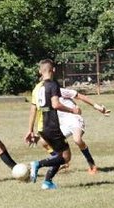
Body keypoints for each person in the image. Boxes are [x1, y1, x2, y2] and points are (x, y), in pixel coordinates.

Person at [24, 59, 81, 190]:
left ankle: (47, 182)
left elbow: (33, 108)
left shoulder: (38, 87)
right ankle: (37, 164)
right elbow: (55, 104)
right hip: (51, 126)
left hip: (42, 127)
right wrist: (73, 110)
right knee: (66, 157)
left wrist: (30, 129)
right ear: (53, 70)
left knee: (59, 154)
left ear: (40, 71)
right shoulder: (53, 84)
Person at [42, 87, 110, 174]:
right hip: (63, 125)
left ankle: (92, 165)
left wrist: (97, 107)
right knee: (44, 142)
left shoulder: (60, 91)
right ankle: (61, 160)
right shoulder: (44, 96)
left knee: (77, 140)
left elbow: (80, 96)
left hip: (75, 119)